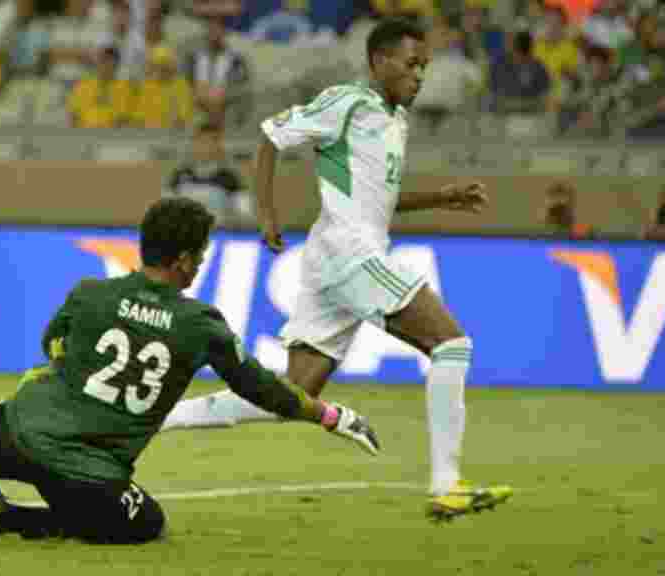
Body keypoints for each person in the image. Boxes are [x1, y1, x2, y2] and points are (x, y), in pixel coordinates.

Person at [0, 198, 379, 545]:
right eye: (200, 254)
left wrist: (61, 374)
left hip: (11, 428)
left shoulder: (90, 292)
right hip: (86, 470)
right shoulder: (202, 324)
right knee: (146, 524)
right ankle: (6, 517)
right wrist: (327, 413)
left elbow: (52, 343)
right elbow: (265, 390)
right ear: (187, 259)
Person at [160, 18, 511, 521]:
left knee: (292, 394)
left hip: (338, 254)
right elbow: (271, 136)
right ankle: (446, 485)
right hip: (349, 250)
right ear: (378, 63)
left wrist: (443, 196)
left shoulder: (395, 120)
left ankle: (157, 416)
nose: (419, 77)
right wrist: (266, 212)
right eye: (411, 65)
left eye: (424, 68)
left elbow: (380, 199)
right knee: (452, 346)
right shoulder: (348, 101)